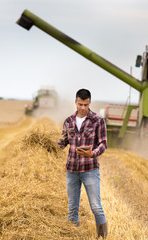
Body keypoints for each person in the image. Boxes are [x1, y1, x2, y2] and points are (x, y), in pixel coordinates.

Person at [58, 88, 108, 238]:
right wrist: (49, 145)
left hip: (90, 170)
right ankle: (73, 235)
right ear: (75, 102)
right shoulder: (68, 121)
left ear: (89, 103)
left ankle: (102, 237)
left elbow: (103, 144)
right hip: (72, 170)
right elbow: (64, 141)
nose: (83, 108)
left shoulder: (98, 121)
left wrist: (93, 153)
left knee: (96, 207)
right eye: (80, 104)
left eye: (86, 105)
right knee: (72, 208)